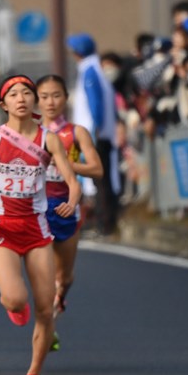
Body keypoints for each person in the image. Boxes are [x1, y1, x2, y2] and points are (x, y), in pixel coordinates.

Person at [0, 75, 80, 375]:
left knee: (46, 309)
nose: (21, 98)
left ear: (33, 101)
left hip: (37, 230)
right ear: (3, 104)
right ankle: (13, 305)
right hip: (3, 229)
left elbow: (71, 179)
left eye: (27, 93)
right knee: (16, 299)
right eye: (14, 94)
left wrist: (72, 202)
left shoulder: (49, 139)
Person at [36, 75, 103, 348]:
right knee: (43, 274)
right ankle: (47, 323)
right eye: (44, 96)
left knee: (64, 276)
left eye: (56, 95)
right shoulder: (29, 132)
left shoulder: (76, 132)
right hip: (36, 207)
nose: (50, 102)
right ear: (35, 99)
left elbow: (96, 169)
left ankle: (58, 300)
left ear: (65, 99)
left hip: (66, 205)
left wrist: (64, 164)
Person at [66, 33, 120, 236]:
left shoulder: (89, 71)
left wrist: (94, 129)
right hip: (97, 133)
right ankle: (102, 220)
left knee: (99, 178)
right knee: (100, 178)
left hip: (94, 135)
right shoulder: (94, 68)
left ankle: (104, 223)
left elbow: (95, 103)